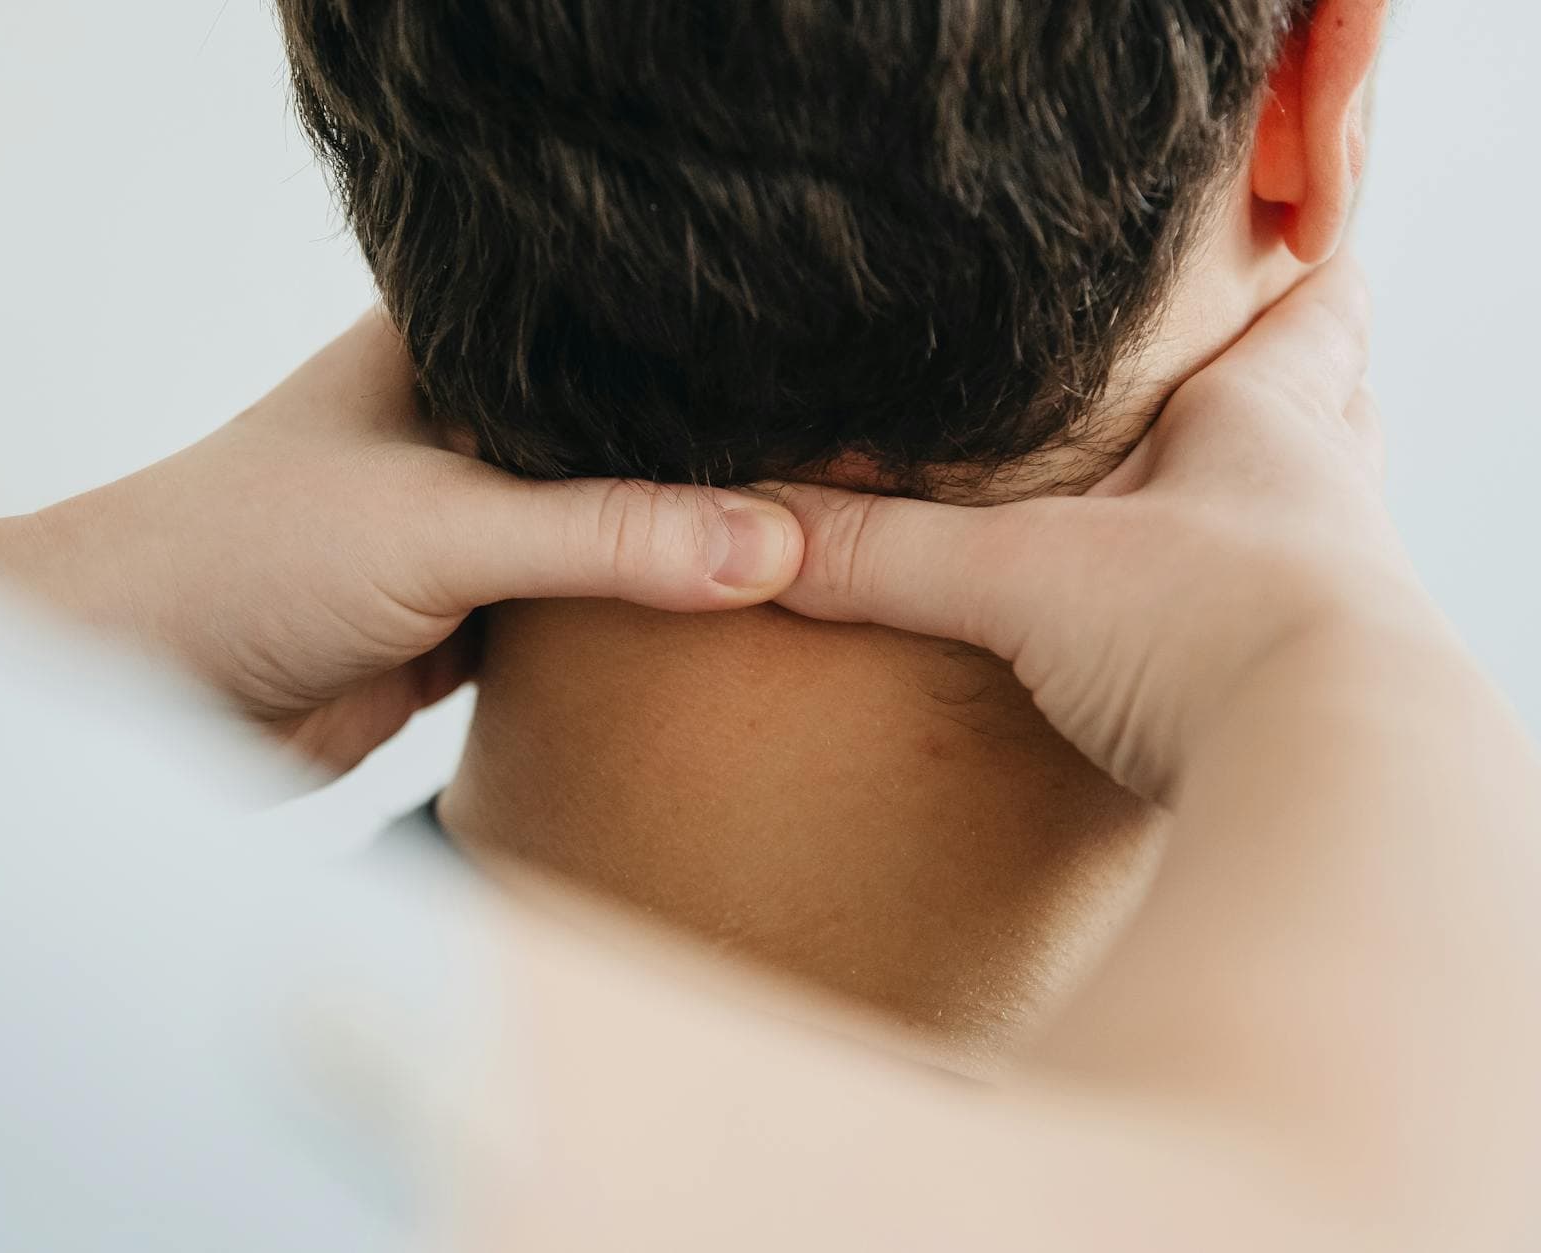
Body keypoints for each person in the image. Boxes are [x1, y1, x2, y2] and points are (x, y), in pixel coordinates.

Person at [264, 0, 1402, 1068]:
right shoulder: (1448, 1158)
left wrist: (132, 672)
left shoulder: (169, 1106)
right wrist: (1332, 681)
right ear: (1306, 83)